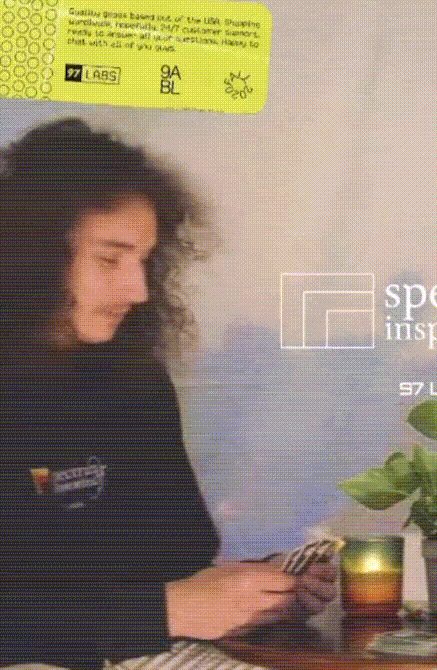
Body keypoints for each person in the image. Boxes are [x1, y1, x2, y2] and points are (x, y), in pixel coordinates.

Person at [0, 119, 336, 670]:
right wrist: (164, 611)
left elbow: (180, 556)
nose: (138, 289)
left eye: (144, 261)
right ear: (30, 253)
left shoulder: (136, 380)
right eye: (110, 259)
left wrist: (253, 592)